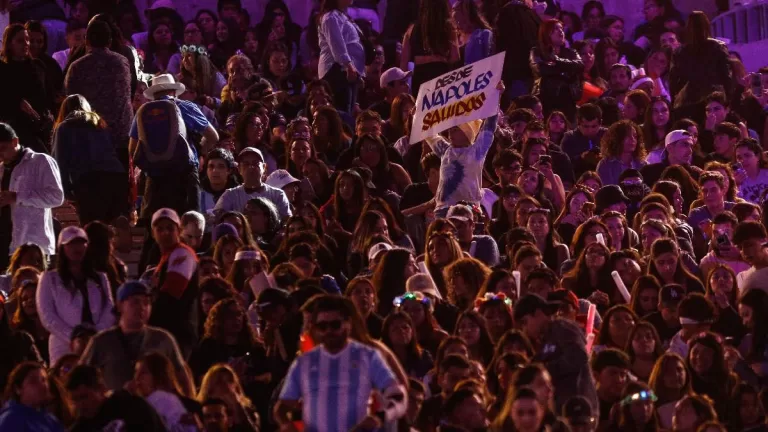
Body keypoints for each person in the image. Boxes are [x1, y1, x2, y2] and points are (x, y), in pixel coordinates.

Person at [274, 295, 407, 431]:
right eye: (307, 324)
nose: (307, 330)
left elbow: (400, 390)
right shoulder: (308, 359)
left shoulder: (370, 353)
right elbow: (283, 405)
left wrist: (381, 416)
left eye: (334, 325)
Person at [130, 73, 219, 222]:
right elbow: (213, 136)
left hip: (155, 177)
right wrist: (200, 151)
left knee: (154, 225)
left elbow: (132, 149)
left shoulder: (142, 112)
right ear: (173, 91)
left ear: (154, 94)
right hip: (185, 174)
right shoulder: (185, 106)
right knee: (189, 222)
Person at [80, 281, 191, 393]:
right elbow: (82, 379)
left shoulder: (163, 339)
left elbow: (181, 377)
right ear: (119, 305)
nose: (142, 307)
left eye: (147, 303)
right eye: (135, 302)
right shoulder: (101, 341)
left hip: (155, 408)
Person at [37, 226, 114, 364]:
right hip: (62, 344)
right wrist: (72, 336)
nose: (77, 247)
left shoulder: (100, 278)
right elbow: (47, 315)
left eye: (81, 243)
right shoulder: (50, 278)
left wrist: (96, 334)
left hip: (96, 341)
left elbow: (109, 308)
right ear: (62, 248)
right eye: (71, 243)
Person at [64, 19, 132, 167]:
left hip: (89, 138)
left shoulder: (76, 67)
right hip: (121, 137)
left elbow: (71, 101)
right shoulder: (122, 62)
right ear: (109, 41)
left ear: (86, 40)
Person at [51, 94, 128, 225]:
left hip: (89, 182)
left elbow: (59, 162)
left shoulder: (64, 127)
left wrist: (66, 191)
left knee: (92, 228)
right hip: (115, 178)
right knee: (112, 228)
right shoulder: (99, 124)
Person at [145, 208, 200, 358]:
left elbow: (170, 297)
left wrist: (146, 325)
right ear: (152, 233)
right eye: (160, 228)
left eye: (170, 228)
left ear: (179, 230)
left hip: (178, 335)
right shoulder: (165, 257)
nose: (165, 233)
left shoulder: (182, 253)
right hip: (168, 333)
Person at [669, 12, 732, 123]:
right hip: (714, 100)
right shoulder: (718, 47)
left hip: (688, 101)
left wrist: (676, 101)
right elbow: (727, 76)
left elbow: (673, 81)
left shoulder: (679, 52)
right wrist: (728, 100)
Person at [66, 364, 167, 432]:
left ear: (101, 389)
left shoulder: (131, 407)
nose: (80, 405)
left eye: (84, 397)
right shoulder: (79, 428)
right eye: (75, 400)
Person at [401, 0, 459, 98]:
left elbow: (403, 64)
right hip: (441, 76)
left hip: (420, 77)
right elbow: (455, 58)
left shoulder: (411, 30)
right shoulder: (448, 26)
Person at [215, 147, 292, 220]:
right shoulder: (230, 195)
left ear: (264, 167)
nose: (251, 167)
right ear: (239, 169)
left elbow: (287, 222)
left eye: (255, 163)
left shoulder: (278, 195)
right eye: (246, 164)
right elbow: (218, 222)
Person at [530, 19, 584, 120]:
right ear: (546, 33)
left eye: (561, 28)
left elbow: (580, 66)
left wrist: (556, 61)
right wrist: (566, 70)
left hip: (568, 102)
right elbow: (541, 69)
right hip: (546, 101)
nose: (561, 31)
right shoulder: (537, 51)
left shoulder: (571, 52)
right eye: (555, 29)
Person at [317, 0, 365, 113]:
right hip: (336, 69)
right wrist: (348, 65)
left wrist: (358, 72)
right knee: (341, 111)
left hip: (347, 70)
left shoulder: (343, 16)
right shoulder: (330, 17)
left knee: (348, 111)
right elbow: (337, 44)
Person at [495, 0, 541, 105]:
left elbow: (501, 45)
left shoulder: (505, 14)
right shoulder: (533, 15)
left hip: (515, 74)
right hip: (534, 72)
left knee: (520, 108)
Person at [0, 362, 65, 432]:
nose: (42, 385)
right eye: (33, 381)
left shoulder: (50, 419)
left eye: (44, 380)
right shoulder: (11, 420)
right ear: (18, 389)